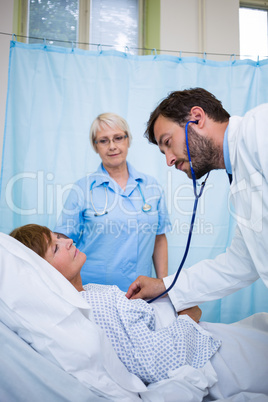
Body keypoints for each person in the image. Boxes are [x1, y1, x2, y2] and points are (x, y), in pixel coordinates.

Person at [10, 224, 268, 399]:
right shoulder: (91, 309)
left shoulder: (91, 292)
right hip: (206, 355)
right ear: (44, 274)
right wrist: (187, 318)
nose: (67, 241)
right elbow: (157, 363)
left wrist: (160, 297)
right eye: (55, 248)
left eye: (59, 237)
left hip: (203, 341)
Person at [125, 88, 268, 312]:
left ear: (197, 118)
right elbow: (242, 262)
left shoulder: (260, 128)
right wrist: (164, 286)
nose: (169, 161)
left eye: (168, 142)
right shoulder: (240, 176)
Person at [54, 113, 171, 292]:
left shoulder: (151, 186)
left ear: (128, 140)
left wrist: (163, 285)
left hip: (139, 292)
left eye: (118, 138)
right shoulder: (82, 189)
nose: (112, 146)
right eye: (103, 140)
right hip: (92, 291)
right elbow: (61, 242)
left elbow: (159, 237)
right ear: (95, 146)